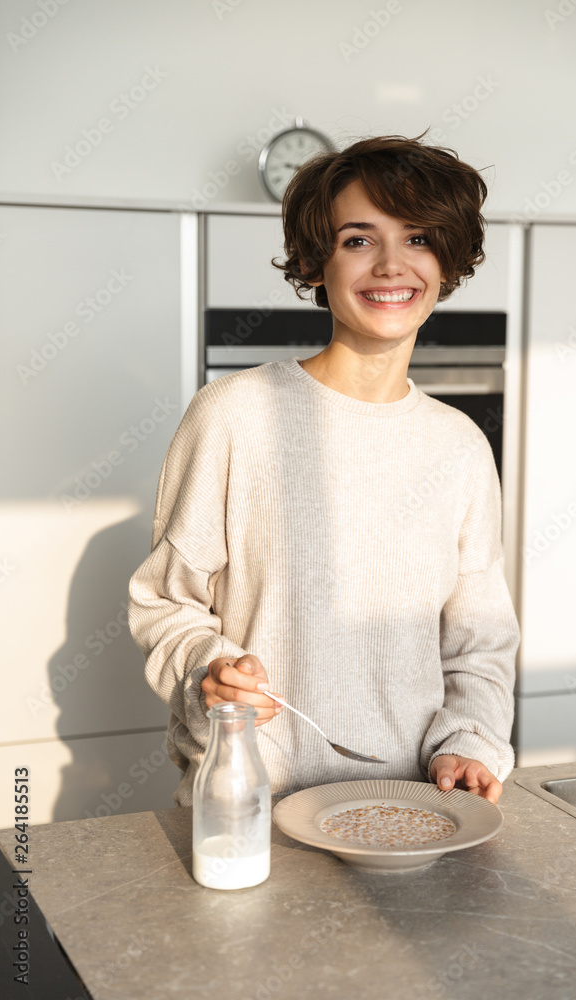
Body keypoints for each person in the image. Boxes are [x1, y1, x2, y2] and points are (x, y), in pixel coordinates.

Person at [128, 132, 520, 809]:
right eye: (358, 240)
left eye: (420, 239)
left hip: (414, 814)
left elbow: (478, 643)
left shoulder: (458, 446)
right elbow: (167, 602)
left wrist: (469, 742)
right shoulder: (234, 416)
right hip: (251, 807)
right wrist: (208, 672)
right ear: (315, 263)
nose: (392, 266)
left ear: (447, 263)